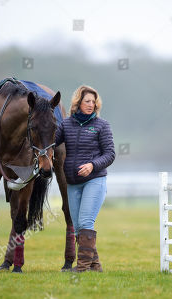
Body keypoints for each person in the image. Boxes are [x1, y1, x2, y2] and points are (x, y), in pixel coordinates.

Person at [55, 85, 115, 272]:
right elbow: (50, 142)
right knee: (79, 226)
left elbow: (110, 154)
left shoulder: (102, 125)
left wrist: (92, 165)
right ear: (78, 102)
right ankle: (95, 266)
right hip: (72, 183)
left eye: (93, 102)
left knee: (86, 222)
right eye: (87, 101)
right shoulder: (65, 124)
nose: (91, 105)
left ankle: (81, 268)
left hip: (95, 180)